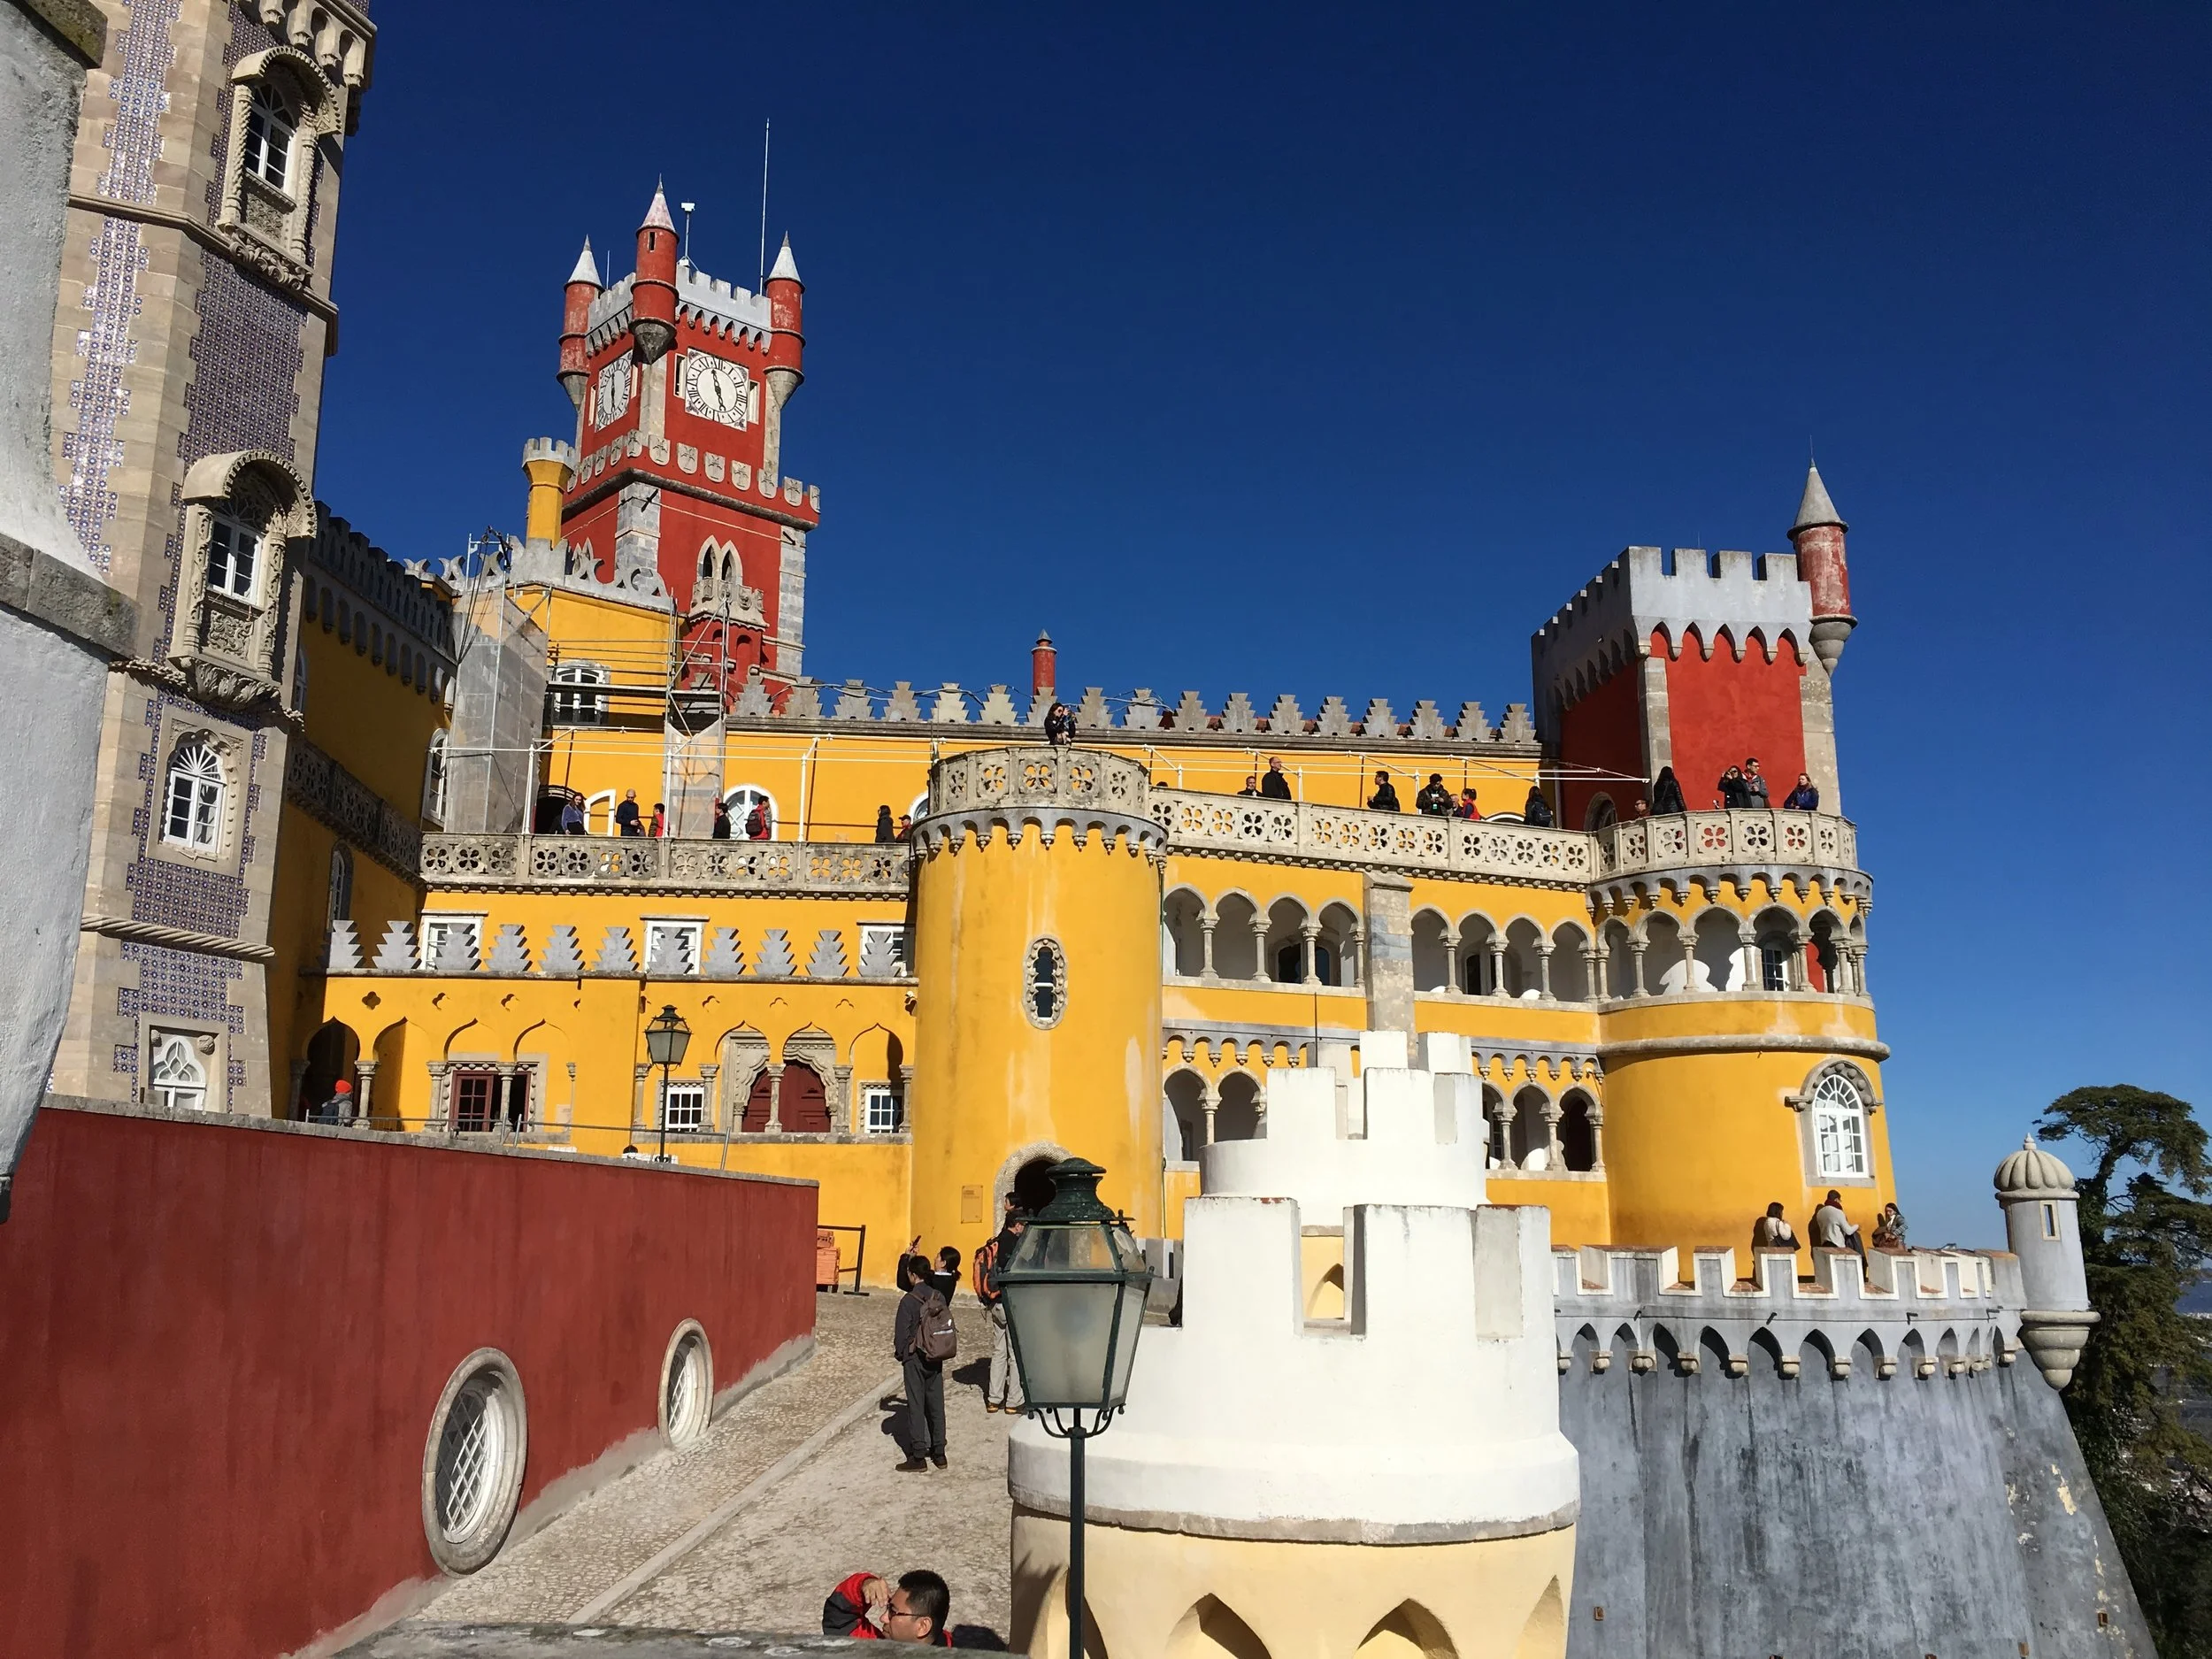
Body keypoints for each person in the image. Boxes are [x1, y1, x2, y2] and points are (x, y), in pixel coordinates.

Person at [893, 1257, 952, 1471]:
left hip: (915, 1356)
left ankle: (918, 1456)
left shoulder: (908, 1301)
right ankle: (940, 1453)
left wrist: (902, 1355)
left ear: (913, 1274)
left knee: (916, 1405)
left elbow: (901, 1335)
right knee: (936, 1404)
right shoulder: (939, 1296)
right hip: (935, 1355)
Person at [974, 1201, 1027, 1415]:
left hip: (994, 1303)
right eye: (1023, 1224)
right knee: (1015, 1354)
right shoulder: (1017, 1245)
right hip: (1011, 1302)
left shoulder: (995, 1242)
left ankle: (993, 1399)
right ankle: (1013, 1401)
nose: (1024, 1228)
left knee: (998, 1352)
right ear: (1016, 1224)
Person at [1809, 1189, 1862, 1256]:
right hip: (1837, 1246)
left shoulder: (1820, 1213)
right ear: (1836, 1200)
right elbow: (1848, 1231)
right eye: (1840, 1201)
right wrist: (1857, 1226)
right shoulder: (1838, 1212)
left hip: (1825, 1245)